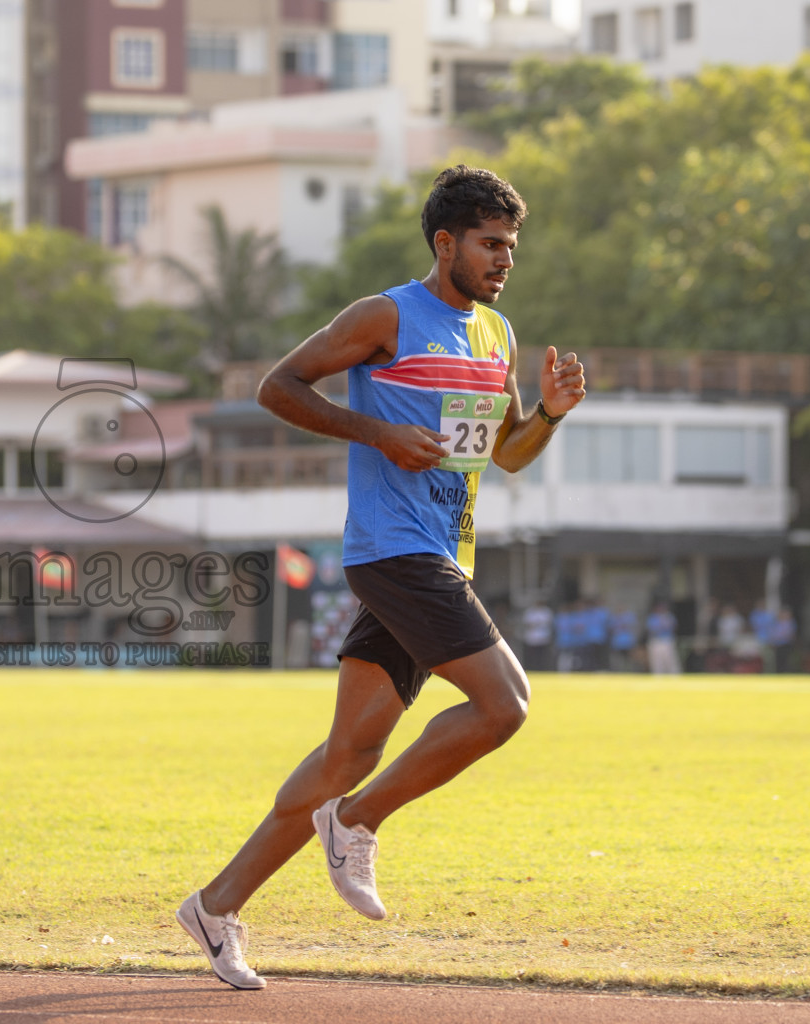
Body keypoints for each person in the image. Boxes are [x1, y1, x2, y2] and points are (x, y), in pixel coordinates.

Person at [174, 165, 586, 989]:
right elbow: (276, 386)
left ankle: (215, 907)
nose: (505, 260)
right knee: (504, 705)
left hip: (443, 549)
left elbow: (502, 455)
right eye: (490, 244)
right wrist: (377, 434)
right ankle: (356, 822)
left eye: (512, 246)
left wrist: (546, 415)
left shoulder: (494, 335)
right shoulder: (386, 316)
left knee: (347, 751)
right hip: (395, 552)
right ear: (446, 243)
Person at [645, 601, 680, 675]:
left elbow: (673, 627)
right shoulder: (652, 618)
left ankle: (674, 676)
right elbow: (651, 630)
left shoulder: (669, 617)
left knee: (670, 660)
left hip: (667, 641)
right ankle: (658, 676)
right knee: (657, 661)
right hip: (656, 641)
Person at [520, 600, 554, 672]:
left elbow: (550, 624)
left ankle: (544, 670)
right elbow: (526, 624)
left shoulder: (546, 611)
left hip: (544, 638)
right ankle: (533, 669)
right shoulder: (530, 612)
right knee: (533, 657)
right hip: (532, 639)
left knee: (543, 657)